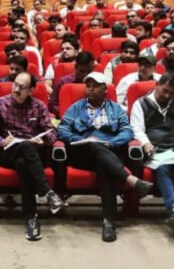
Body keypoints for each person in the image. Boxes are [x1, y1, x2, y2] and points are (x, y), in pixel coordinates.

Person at [58, 72, 152, 242]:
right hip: (82, 153)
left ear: (105, 89)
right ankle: (131, 180)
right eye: (88, 86)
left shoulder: (115, 109)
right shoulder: (76, 107)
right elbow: (62, 129)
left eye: (95, 86)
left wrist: (113, 143)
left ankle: (108, 223)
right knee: (94, 144)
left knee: (103, 165)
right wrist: (80, 139)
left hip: (110, 151)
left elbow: (127, 131)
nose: (90, 89)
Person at [0, 72, 63, 241]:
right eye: (15, 84)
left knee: (23, 163)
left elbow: (51, 132)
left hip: (33, 153)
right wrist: (2, 141)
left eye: (22, 87)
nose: (16, 89)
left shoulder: (38, 106)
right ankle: (47, 192)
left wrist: (43, 140)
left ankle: (31, 219)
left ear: (31, 90)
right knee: (25, 148)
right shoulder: (1, 103)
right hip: (8, 151)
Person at [129, 73, 174, 236]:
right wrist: (145, 143)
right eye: (165, 91)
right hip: (156, 150)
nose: (168, 96)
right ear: (156, 85)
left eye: (171, 93)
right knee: (162, 168)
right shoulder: (140, 104)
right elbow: (137, 129)